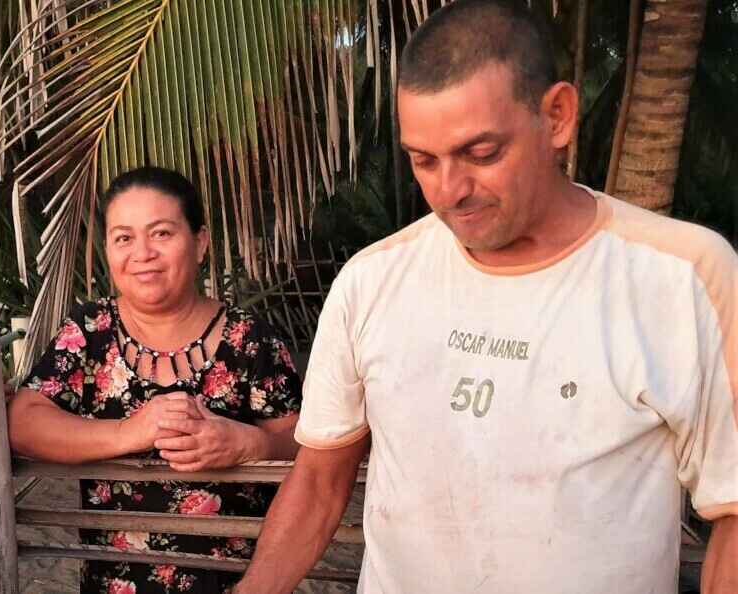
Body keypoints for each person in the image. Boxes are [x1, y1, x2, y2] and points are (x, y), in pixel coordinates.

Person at [232, 1, 738, 593]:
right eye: (424, 160)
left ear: (557, 116)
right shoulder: (371, 282)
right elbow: (319, 481)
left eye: (481, 154)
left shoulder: (684, 277)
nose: (451, 191)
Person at [7, 166, 303, 593]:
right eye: (124, 238)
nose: (142, 253)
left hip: (237, 585)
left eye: (162, 233)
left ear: (199, 242)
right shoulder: (90, 331)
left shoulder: (248, 338)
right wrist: (131, 431)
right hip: (115, 584)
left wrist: (252, 443)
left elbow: (308, 438)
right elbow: (24, 421)